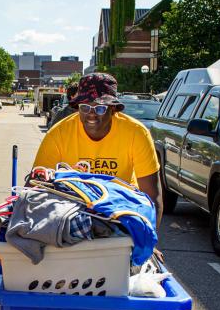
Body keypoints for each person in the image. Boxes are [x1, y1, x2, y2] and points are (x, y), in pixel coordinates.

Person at [33, 73, 161, 214]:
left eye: (100, 108)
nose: (91, 114)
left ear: (112, 109)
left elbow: (152, 198)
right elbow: (36, 187)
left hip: (122, 207)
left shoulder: (137, 133)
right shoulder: (58, 133)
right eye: (85, 108)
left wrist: (147, 232)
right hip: (72, 207)